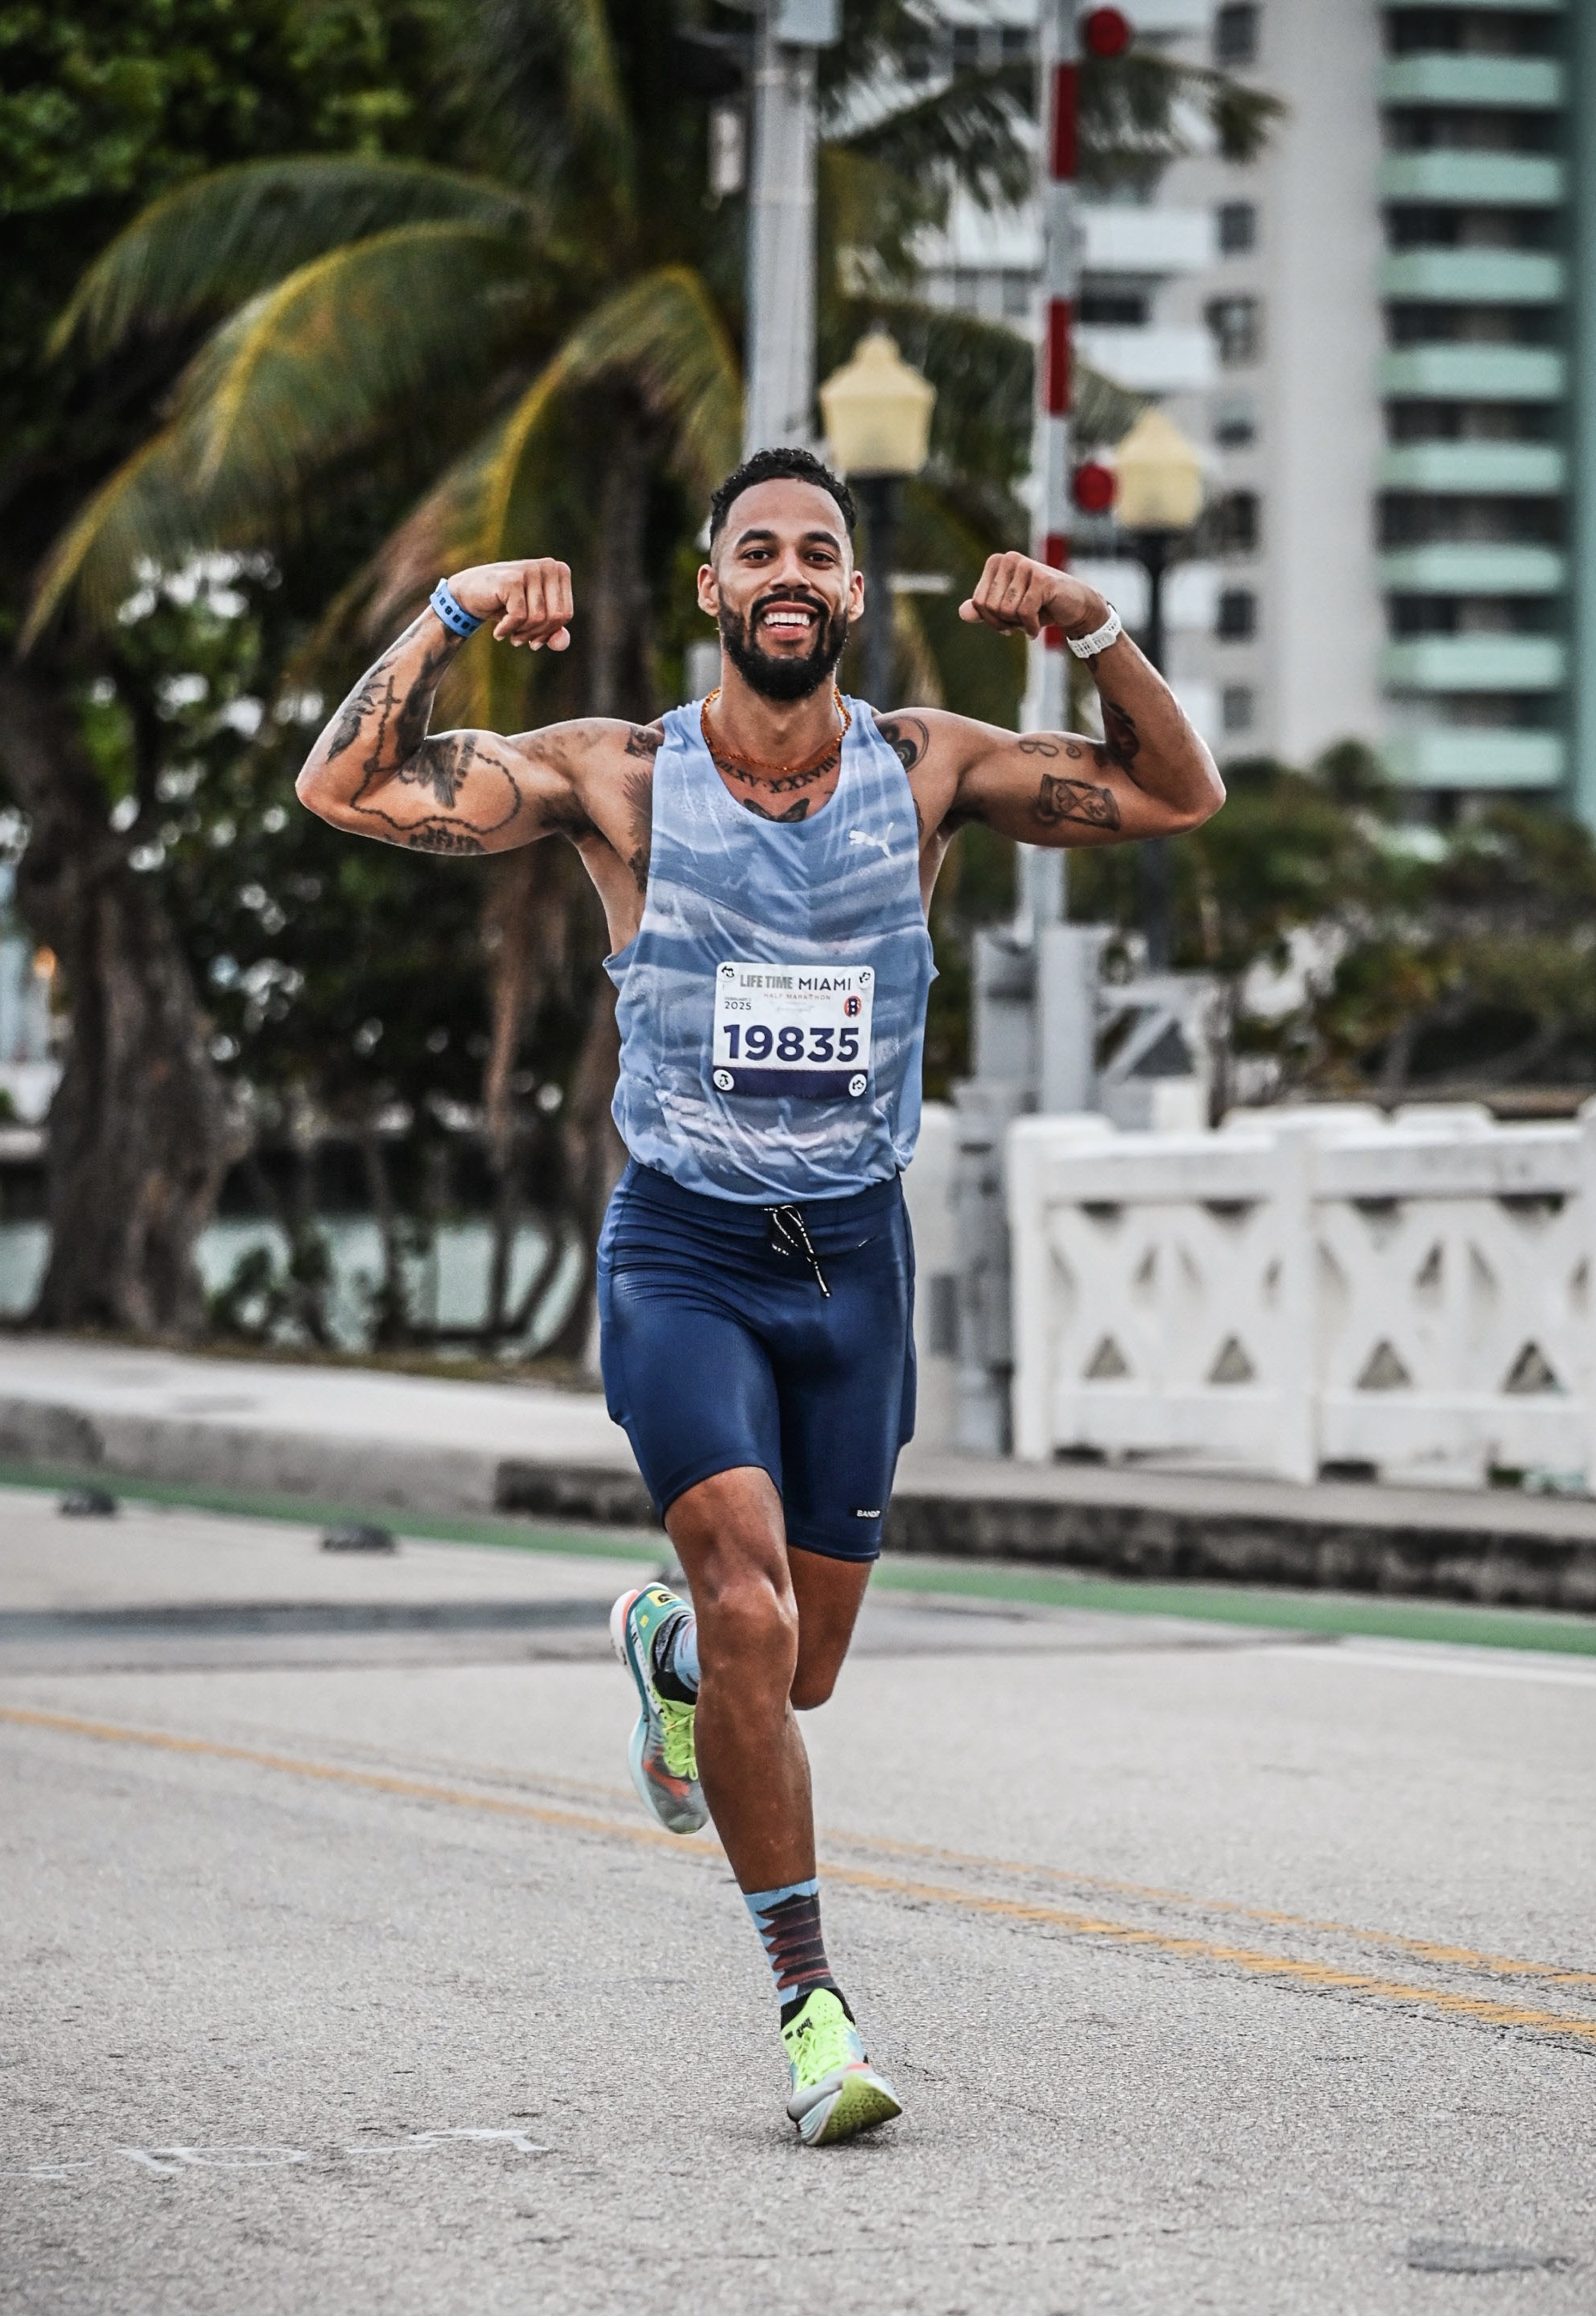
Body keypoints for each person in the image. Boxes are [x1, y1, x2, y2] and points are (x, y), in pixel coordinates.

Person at [296, 446, 1224, 2146]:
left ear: (852, 594)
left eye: (816, 550)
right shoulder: (623, 776)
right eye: (755, 550)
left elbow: (1176, 796)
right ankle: (811, 2007)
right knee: (749, 1608)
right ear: (715, 588)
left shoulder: (927, 768)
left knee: (794, 1671)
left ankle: (658, 1646)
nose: (786, 571)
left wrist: (1092, 629)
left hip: (853, 1265)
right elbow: (345, 787)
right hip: (686, 1253)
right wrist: (454, 612)